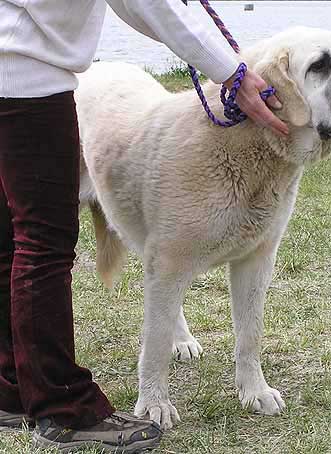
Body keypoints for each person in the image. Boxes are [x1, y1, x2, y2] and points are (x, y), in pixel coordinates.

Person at [0, 0, 288, 452]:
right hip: (28, 86)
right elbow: (147, 3)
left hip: (10, 72)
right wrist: (232, 71)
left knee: (15, 242)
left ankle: (11, 388)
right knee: (42, 245)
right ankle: (61, 408)